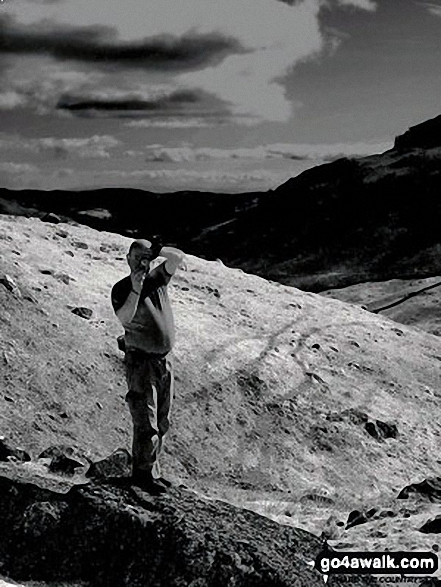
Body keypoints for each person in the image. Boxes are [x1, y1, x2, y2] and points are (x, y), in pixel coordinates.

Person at [111, 238, 186, 495]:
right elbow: (125, 318)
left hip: (164, 361)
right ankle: (142, 474)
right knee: (146, 419)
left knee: (163, 420)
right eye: (138, 257)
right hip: (141, 362)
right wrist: (135, 287)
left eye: (146, 258)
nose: (142, 262)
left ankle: (153, 471)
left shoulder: (157, 278)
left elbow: (177, 258)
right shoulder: (121, 289)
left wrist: (158, 249)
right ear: (128, 259)